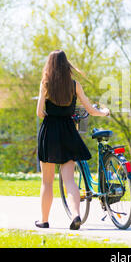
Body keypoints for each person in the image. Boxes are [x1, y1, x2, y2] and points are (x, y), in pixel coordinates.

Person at [36, 50, 109, 230]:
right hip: (68, 131)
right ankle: (76, 215)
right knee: (69, 179)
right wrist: (104, 112)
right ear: (65, 64)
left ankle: (44, 221)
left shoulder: (45, 84)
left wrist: (49, 114)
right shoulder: (74, 85)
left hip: (50, 132)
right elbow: (90, 109)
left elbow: (39, 112)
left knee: (47, 181)